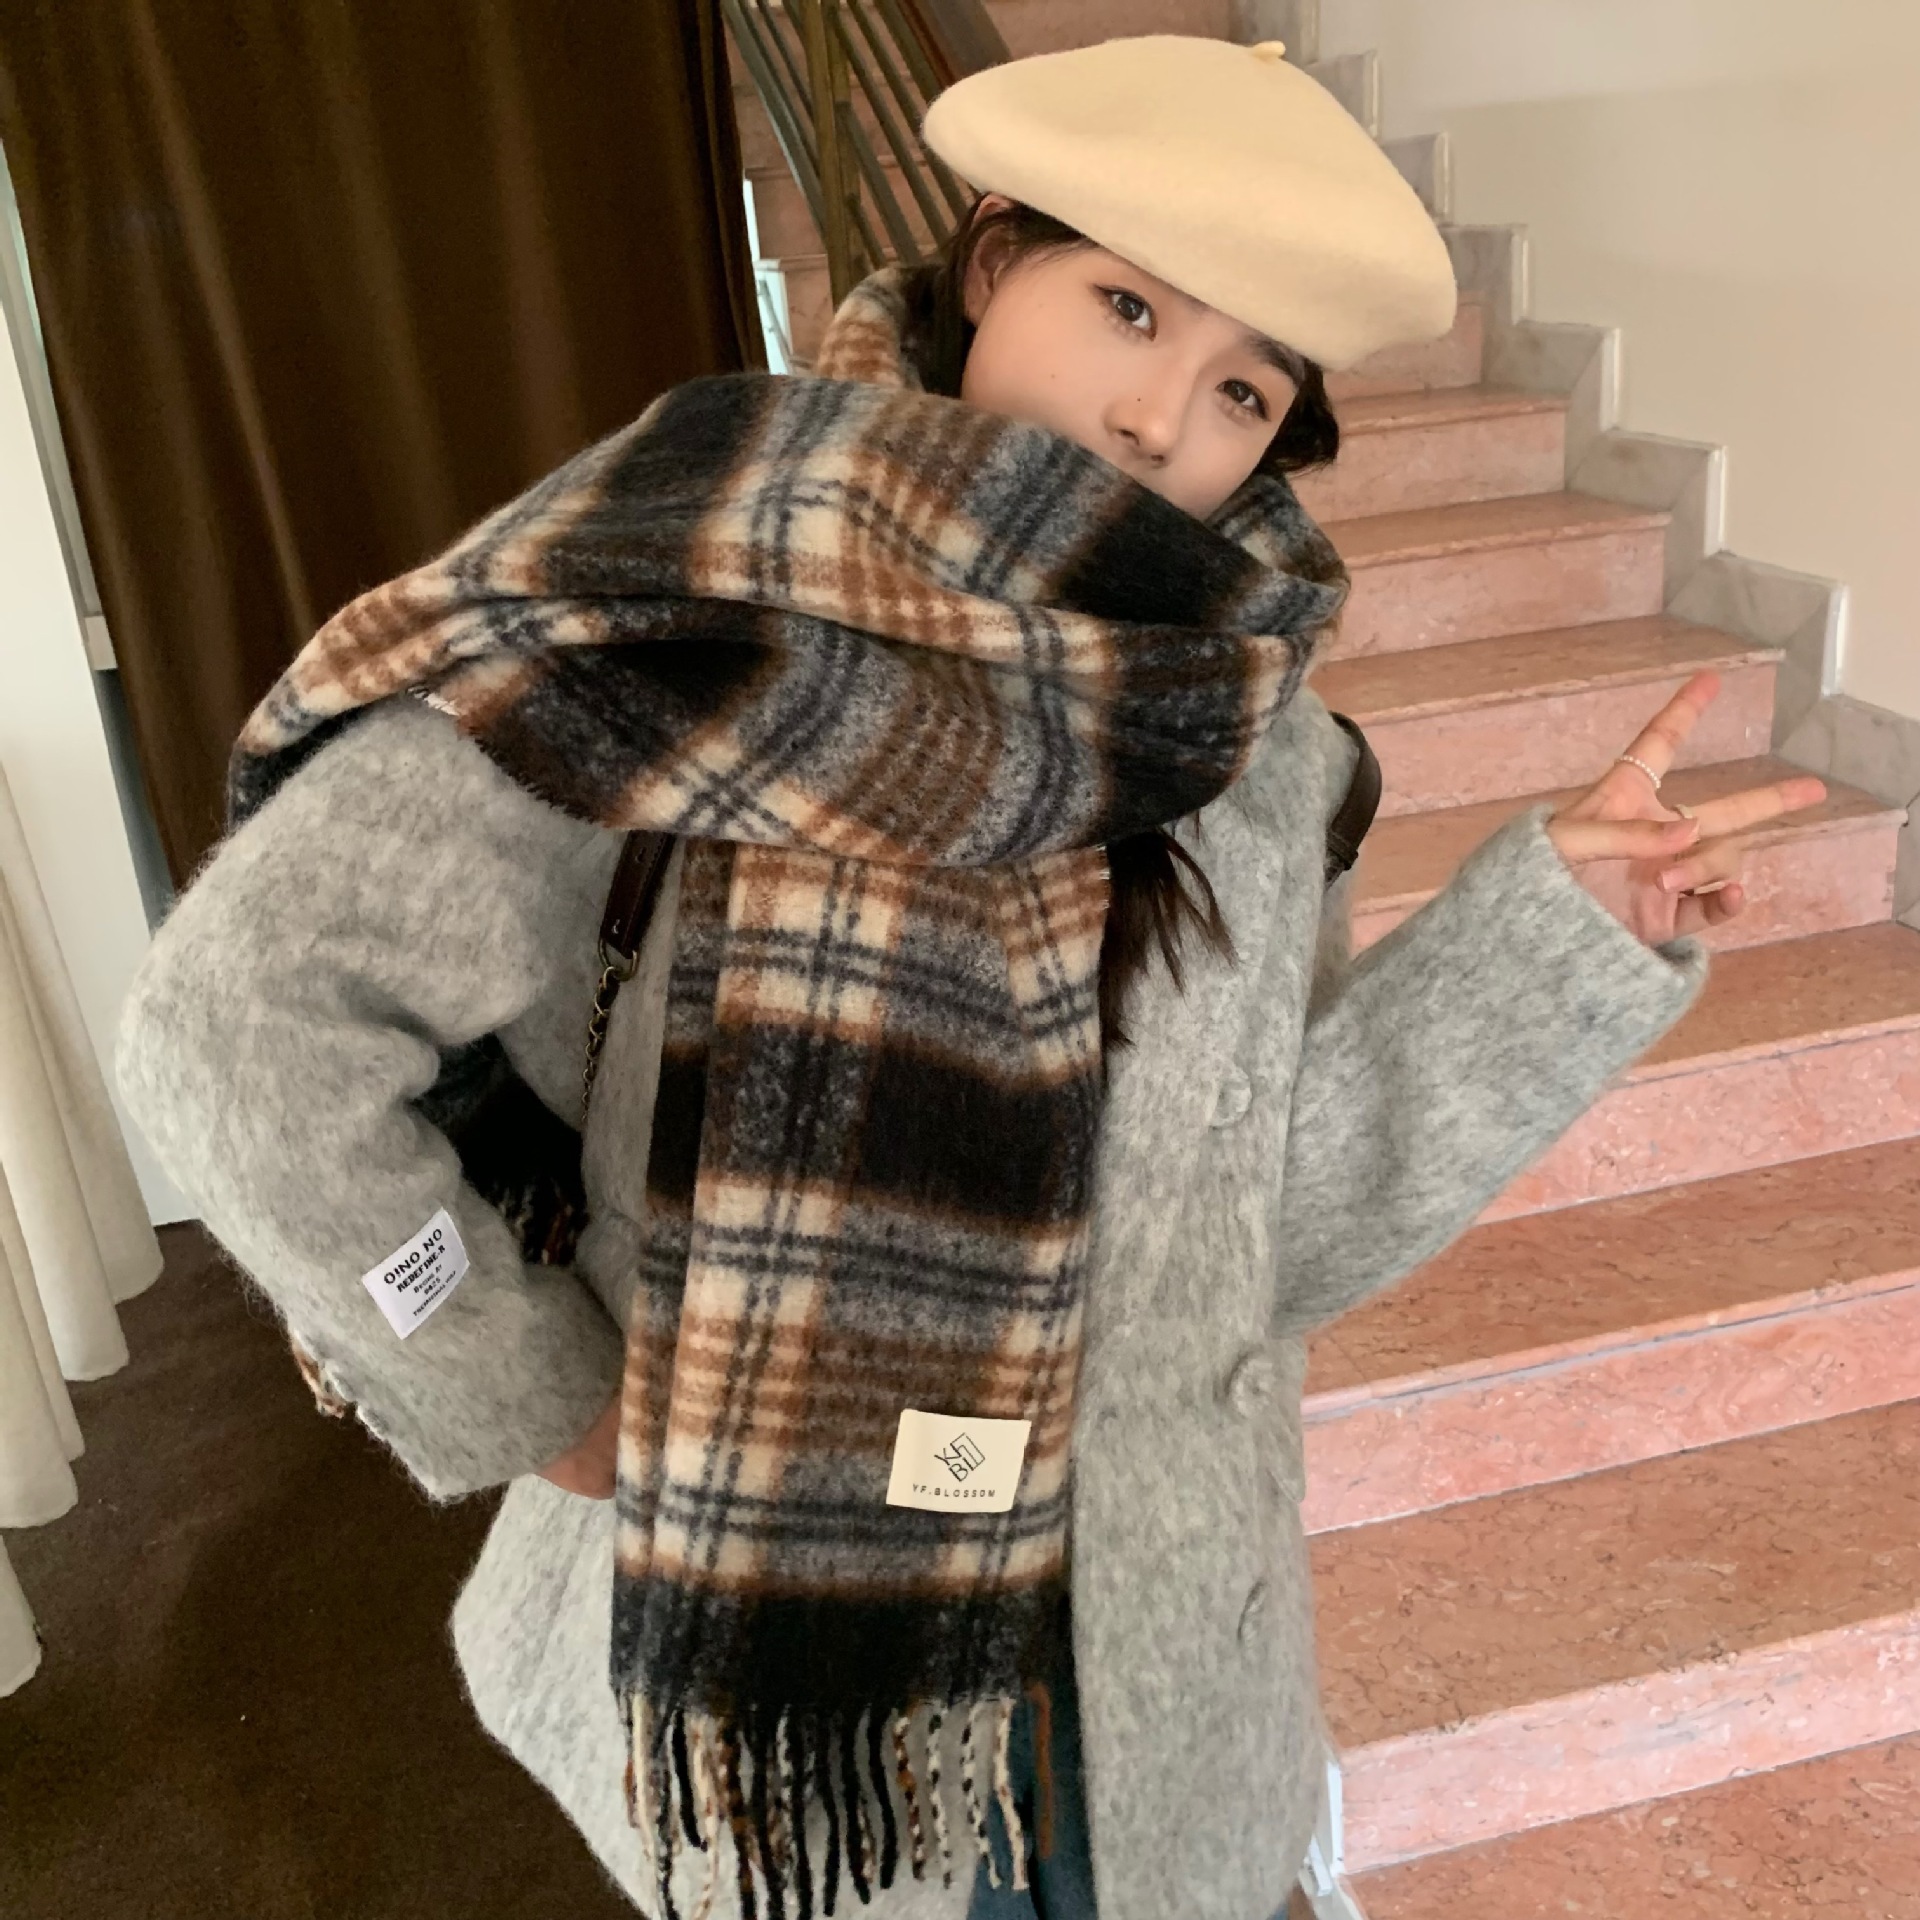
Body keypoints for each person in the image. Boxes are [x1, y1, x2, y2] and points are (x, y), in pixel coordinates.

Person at [114, 34, 1825, 1920]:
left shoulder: (1252, 741)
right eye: (1127, 306)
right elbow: (238, 1032)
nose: (1158, 420)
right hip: (795, 1679)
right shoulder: (691, 605)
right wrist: (518, 1379)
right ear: (995, 258)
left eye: (1242, 385)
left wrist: (1554, 938)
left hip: (1143, 1686)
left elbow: (1249, 1239)